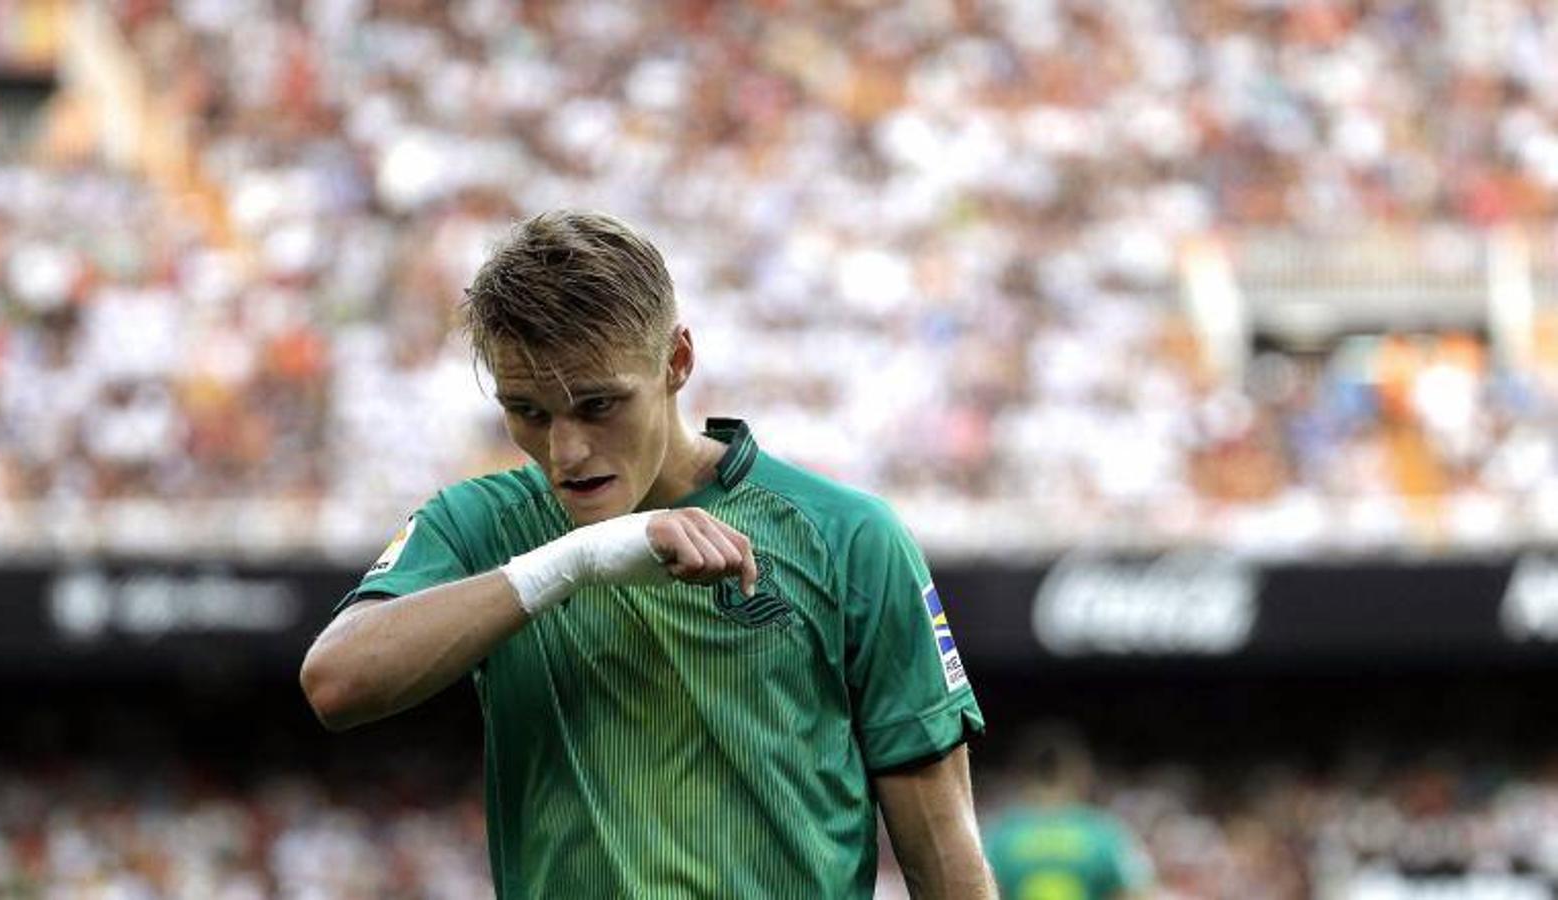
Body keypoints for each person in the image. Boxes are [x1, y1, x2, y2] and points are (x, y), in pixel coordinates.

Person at [300, 210, 993, 898]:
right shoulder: (481, 525)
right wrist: (573, 561)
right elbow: (337, 681)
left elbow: (943, 850)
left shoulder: (850, 537)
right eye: (529, 413)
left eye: (598, 405)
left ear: (677, 361)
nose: (565, 452)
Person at [982, 725, 1153, 900]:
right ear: (1081, 774)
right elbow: (1134, 893)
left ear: (1020, 774)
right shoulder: (1105, 834)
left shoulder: (999, 836)